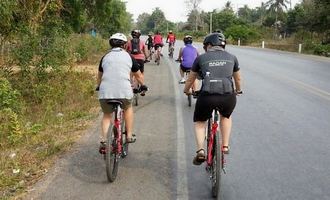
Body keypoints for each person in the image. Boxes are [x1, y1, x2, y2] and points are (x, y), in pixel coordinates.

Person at [183, 32, 242, 165]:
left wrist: (186, 90)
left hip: (207, 96)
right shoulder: (232, 57)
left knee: (200, 121)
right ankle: (225, 146)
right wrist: (238, 90)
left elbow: (191, 79)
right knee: (226, 116)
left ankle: (201, 151)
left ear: (209, 45)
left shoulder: (201, 58)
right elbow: (237, 78)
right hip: (227, 96)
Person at [97, 33, 148, 154]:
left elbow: (99, 76)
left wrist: (99, 86)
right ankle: (129, 135)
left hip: (106, 92)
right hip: (124, 91)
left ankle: (104, 141)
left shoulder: (105, 57)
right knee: (128, 108)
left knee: (106, 115)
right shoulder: (129, 57)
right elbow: (138, 75)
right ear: (125, 45)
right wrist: (143, 85)